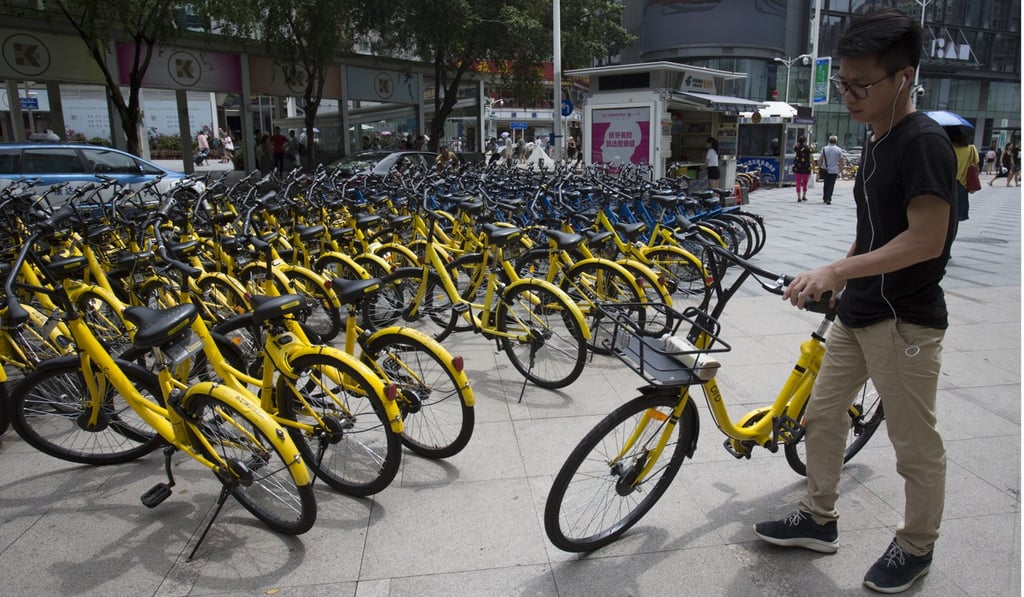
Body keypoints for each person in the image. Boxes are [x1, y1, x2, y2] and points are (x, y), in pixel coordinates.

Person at [753, 9, 956, 595]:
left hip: (906, 323)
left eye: (860, 85)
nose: (849, 95)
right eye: (843, 83)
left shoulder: (923, 144)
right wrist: (838, 279)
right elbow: (875, 232)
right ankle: (818, 518)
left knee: (915, 445)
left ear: (903, 78)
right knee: (820, 415)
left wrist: (838, 269)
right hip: (860, 310)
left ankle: (917, 546)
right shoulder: (877, 139)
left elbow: (925, 239)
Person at [948, 127, 978, 221]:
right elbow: (976, 165)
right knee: (957, 217)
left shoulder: (946, 146)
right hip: (962, 184)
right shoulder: (970, 149)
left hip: (947, 182)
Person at [818, 135, 845, 204]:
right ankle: (828, 198)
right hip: (834, 170)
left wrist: (819, 167)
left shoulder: (824, 149)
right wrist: (841, 169)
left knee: (826, 183)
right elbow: (842, 161)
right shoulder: (839, 150)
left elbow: (820, 159)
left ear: (828, 141)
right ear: (836, 141)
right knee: (831, 184)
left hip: (825, 169)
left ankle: (825, 197)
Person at [792, 135, 812, 202]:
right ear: (805, 141)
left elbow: (794, 147)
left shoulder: (796, 147)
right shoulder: (808, 148)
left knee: (798, 182)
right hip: (806, 167)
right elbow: (811, 156)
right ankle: (804, 196)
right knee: (805, 182)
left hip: (798, 166)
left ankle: (798, 197)